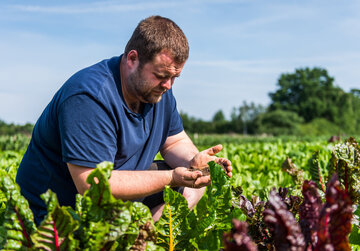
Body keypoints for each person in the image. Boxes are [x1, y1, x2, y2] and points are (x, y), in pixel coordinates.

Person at [16, 15, 232, 225]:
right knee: (174, 181)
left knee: (195, 184)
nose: (168, 85)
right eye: (161, 75)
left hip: (111, 203)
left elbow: (174, 142)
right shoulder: (89, 97)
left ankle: (148, 240)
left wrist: (194, 163)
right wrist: (171, 177)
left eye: (174, 77)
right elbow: (93, 186)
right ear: (132, 59)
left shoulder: (158, 92)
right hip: (57, 216)